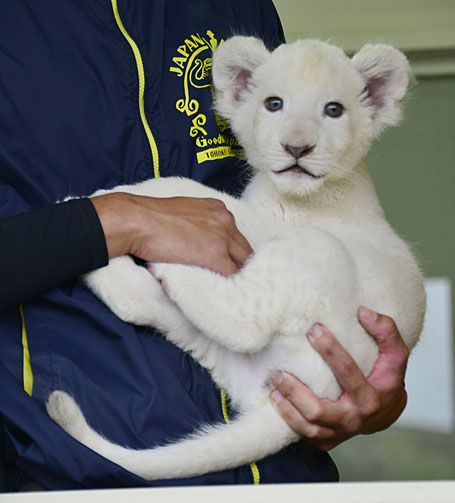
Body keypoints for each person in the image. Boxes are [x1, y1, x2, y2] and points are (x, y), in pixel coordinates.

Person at [0, 0, 409, 490]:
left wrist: (363, 386)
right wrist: (110, 221)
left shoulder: (240, 8)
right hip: (67, 475)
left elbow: (290, 209)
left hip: (280, 475)